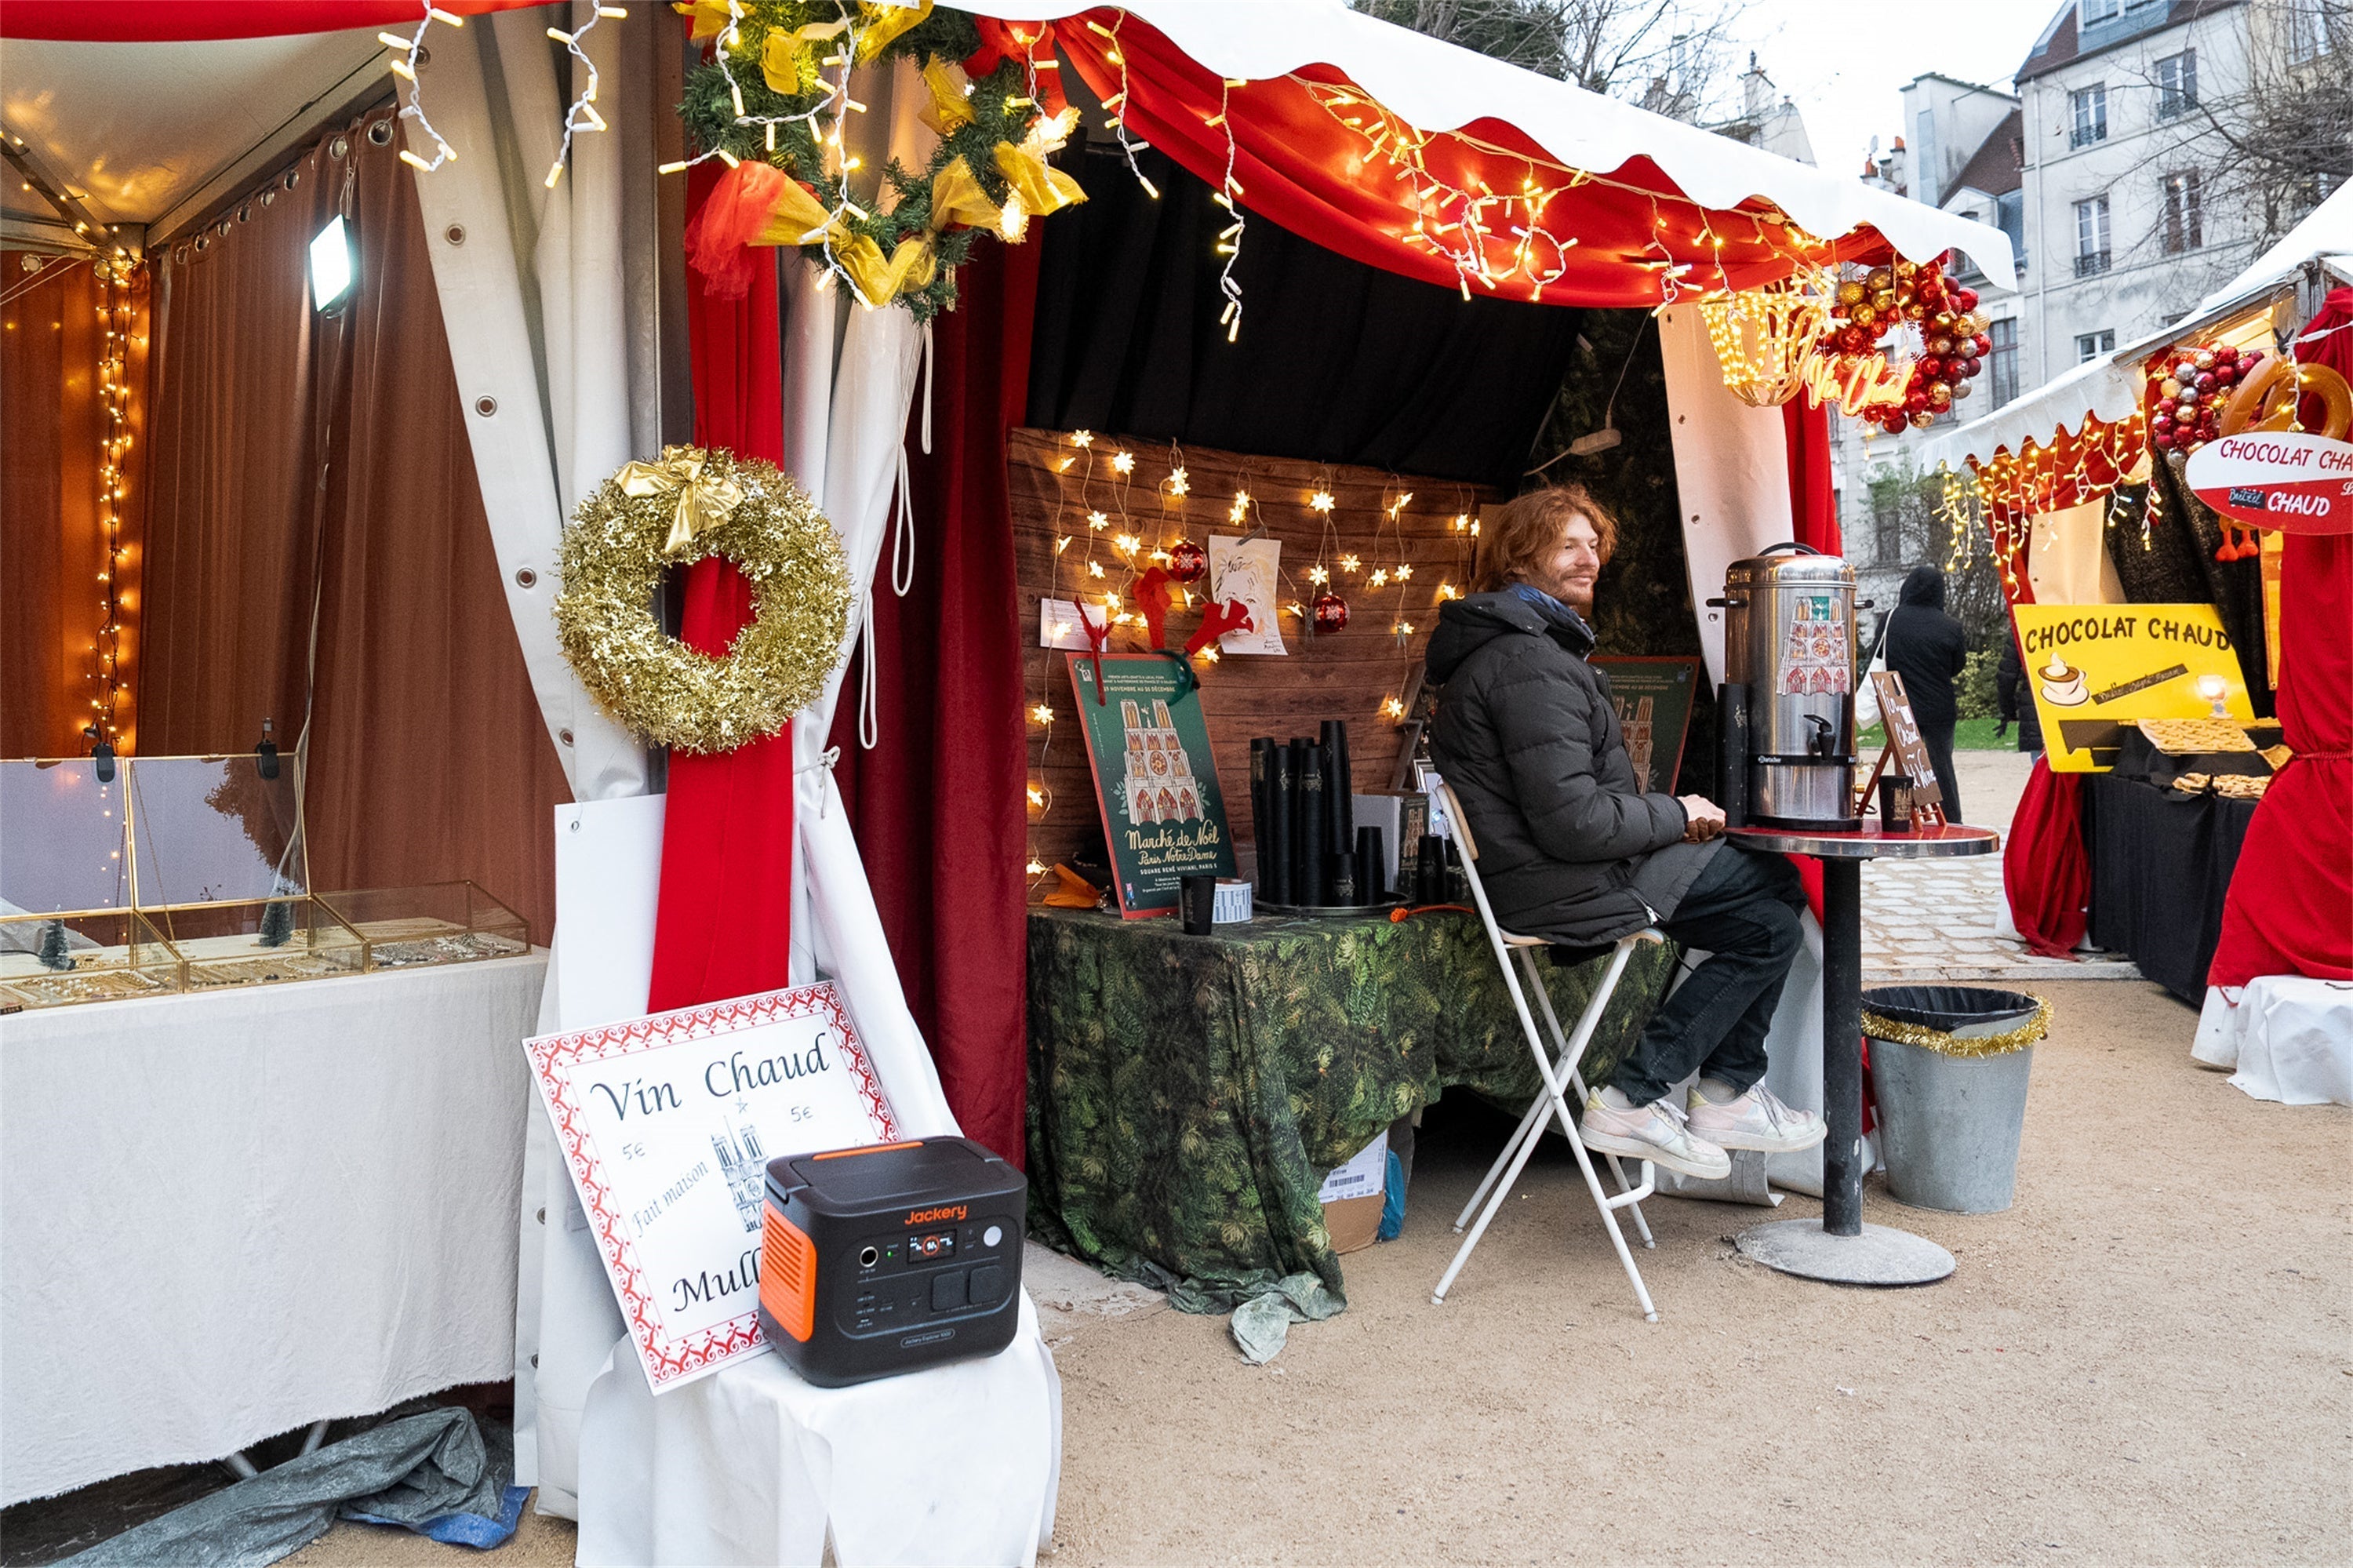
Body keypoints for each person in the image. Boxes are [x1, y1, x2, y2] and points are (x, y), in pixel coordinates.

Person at [1424, 485, 1824, 1181]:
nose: (1591, 559)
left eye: (1594, 544)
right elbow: (1576, 821)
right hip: (1567, 883)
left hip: (1551, 877)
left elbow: (1575, 809)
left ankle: (1707, 1093)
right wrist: (1678, 813)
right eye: (1569, 544)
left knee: (1768, 911)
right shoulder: (1526, 661)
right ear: (1521, 557)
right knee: (1771, 896)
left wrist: (1667, 817)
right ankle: (1649, 1096)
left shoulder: (1522, 650)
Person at [1881, 564, 1968, 823]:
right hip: (1939, 705)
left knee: (1904, 763)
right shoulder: (1951, 627)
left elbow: (1882, 659)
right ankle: (1950, 818)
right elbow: (1957, 666)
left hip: (1901, 704)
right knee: (1942, 763)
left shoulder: (1890, 620)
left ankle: (1901, 816)